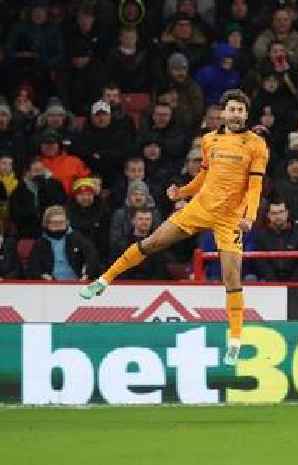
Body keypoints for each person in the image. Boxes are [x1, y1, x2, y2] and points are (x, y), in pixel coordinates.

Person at [80, 89, 269, 367]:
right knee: (153, 242)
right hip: (199, 208)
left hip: (230, 218)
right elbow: (204, 176)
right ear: (223, 113)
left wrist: (249, 216)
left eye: (241, 110)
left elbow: (255, 186)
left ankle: (235, 341)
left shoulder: (256, 145)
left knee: (232, 277)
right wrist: (182, 192)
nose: (236, 114)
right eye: (232, 109)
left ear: (246, 114)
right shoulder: (209, 140)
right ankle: (104, 280)